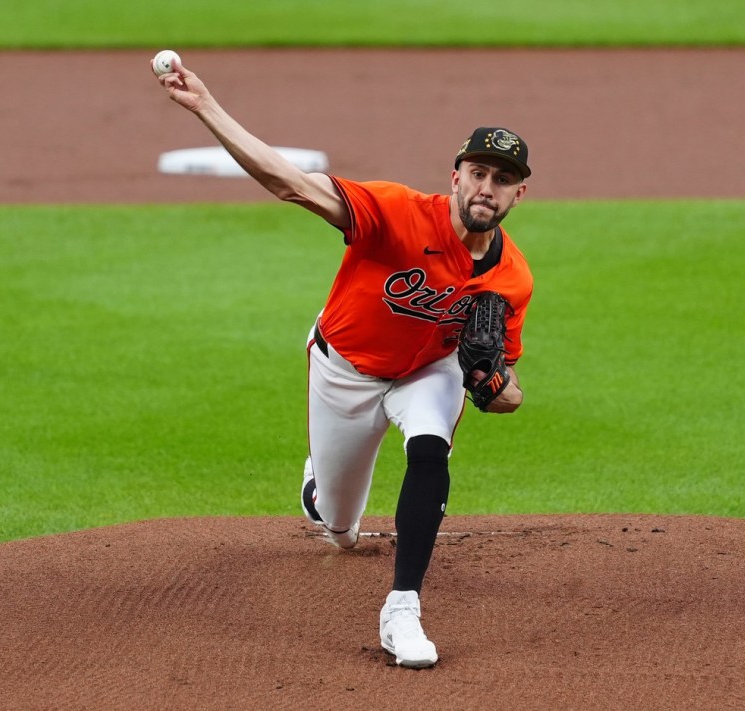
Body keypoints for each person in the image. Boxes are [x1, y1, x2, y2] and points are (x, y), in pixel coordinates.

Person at [153, 57, 534, 669]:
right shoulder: (396, 212)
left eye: (503, 178)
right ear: (456, 177)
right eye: (479, 172)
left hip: (426, 373)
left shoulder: (513, 279)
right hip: (345, 369)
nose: (488, 187)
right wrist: (206, 107)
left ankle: (402, 608)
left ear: (521, 192)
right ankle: (319, 493)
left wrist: (491, 383)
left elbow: (508, 388)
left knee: (431, 447)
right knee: (339, 529)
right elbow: (291, 184)